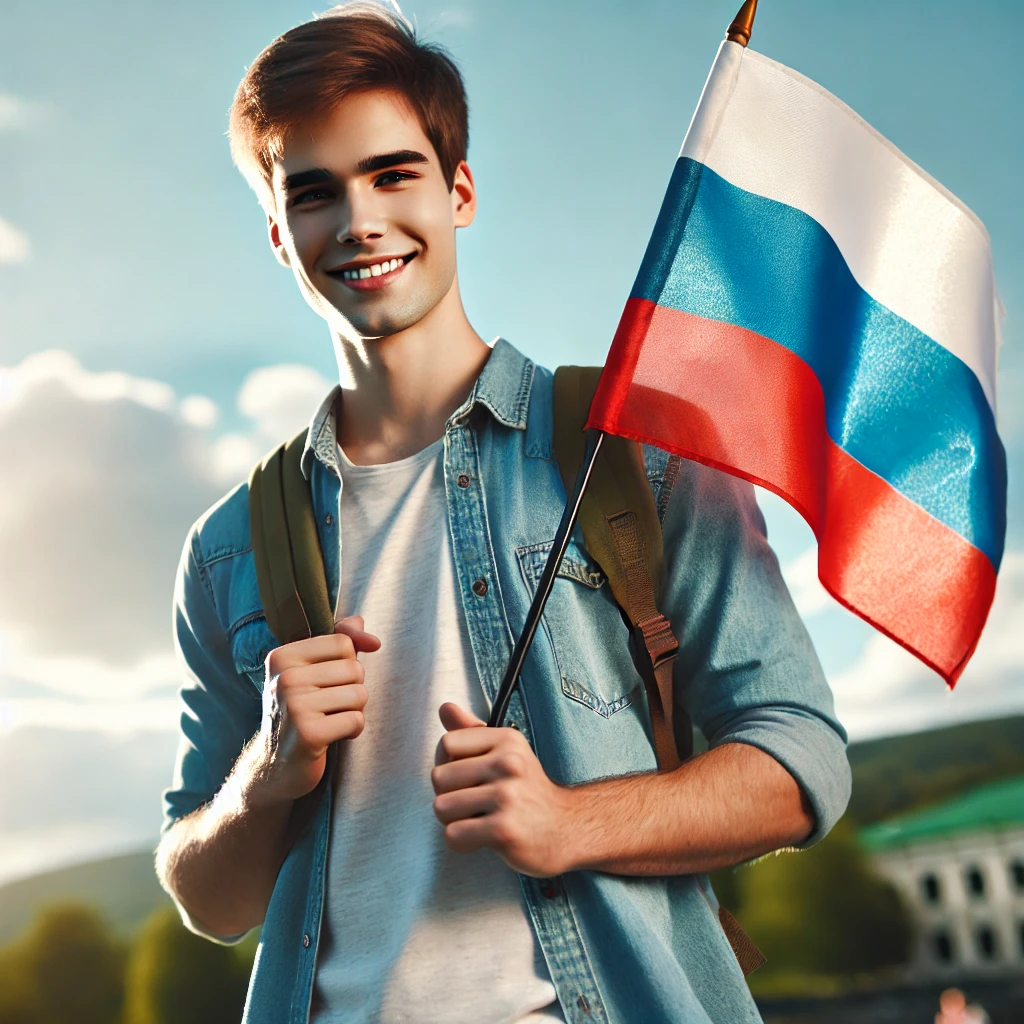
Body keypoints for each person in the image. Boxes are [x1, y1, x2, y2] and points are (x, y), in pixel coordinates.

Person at [155, 3, 852, 1022]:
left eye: (393, 174)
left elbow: (801, 757)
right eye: (314, 194)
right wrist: (264, 775)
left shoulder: (633, 447)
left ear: (459, 191)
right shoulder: (228, 546)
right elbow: (206, 896)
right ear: (278, 234)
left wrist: (572, 820)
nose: (357, 222)